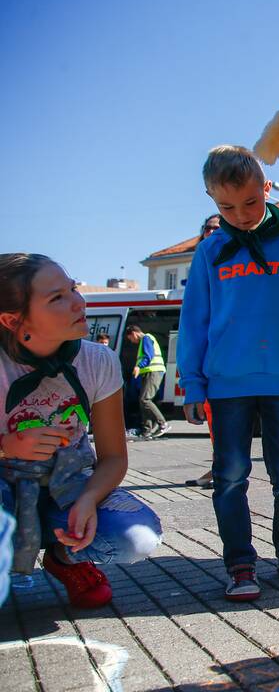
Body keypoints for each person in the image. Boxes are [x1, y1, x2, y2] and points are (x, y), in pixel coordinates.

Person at [179, 144, 279, 601]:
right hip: (226, 385)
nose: (242, 214)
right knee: (229, 476)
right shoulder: (210, 252)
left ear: (266, 189)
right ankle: (240, 564)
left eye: (250, 201)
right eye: (226, 206)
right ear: (211, 199)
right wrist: (193, 383)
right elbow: (194, 321)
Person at [0, 254, 162, 608]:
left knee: (138, 537)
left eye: (72, 288)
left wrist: (88, 500)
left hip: (68, 483)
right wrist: (6, 447)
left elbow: (114, 457)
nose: (79, 301)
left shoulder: (96, 360)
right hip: (7, 491)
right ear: (13, 319)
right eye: (57, 298)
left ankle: (65, 558)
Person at [184, 214, 223, 491]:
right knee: (215, 425)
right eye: (209, 228)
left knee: (223, 425)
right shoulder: (203, 259)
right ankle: (218, 468)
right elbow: (193, 322)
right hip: (210, 363)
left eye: (219, 228)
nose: (213, 232)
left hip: (228, 364)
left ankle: (222, 470)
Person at [124, 324, 169, 439]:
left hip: (153, 371)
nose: (131, 341)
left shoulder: (146, 338)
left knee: (145, 399)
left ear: (134, 333)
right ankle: (146, 430)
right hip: (150, 372)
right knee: (143, 400)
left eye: (130, 338)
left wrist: (139, 366)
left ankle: (163, 423)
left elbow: (148, 356)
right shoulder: (145, 340)